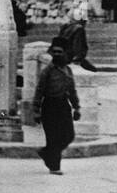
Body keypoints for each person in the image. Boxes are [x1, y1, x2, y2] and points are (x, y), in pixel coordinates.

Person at [33, 38, 81, 175]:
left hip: (63, 105)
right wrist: (36, 111)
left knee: (68, 136)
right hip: (49, 106)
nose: (57, 54)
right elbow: (39, 91)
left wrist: (76, 107)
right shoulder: (47, 71)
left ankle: (46, 153)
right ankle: (54, 166)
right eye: (54, 52)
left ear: (65, 53)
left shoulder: (68, 70)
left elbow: (72, 90)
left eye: (60, 52)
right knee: (53, 137)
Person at [59, 0, 98, 72]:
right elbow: (77, 46)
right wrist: (77, 59)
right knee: (93, 70)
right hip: (71, 58)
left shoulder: (65, 27)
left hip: (62, 55)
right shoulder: (79, 29)